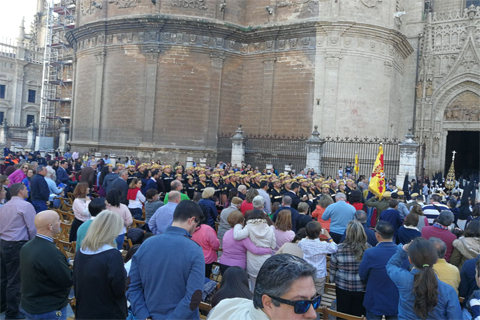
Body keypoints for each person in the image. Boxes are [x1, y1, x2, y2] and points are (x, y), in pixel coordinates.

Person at [127, 201, 205, 320]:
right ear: (191, 220)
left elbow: (131, 287)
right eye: (197, 225)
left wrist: (144, 316)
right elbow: (194, 297)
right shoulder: (194, 249)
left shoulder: (146, 244)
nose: (195, 229)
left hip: (149, 315)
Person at [208, 254, 320, 320]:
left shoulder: (227, 306)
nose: (313, 314)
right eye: (300, 304)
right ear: (268, 303)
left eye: (315, 301)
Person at [386, 237, 462, 319]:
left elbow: (391, 265)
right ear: (436, 260)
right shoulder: (448, 291)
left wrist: (405, 248)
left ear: (410, 260)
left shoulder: (403, 279)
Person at [73, 210, 127, 319]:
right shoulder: (112, 255)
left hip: (85, 309)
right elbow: (119, 289)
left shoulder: (81, 251)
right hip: (108, 312)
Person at [20, 210, 72, 320]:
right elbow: (68, 280)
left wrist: (65, 262)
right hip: (48, 308)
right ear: (50, 226)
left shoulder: (27, 246)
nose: (61, 222)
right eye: (58, 220)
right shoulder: (50, 252)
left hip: (30, 304)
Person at [0, 183, 36, 319]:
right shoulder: (25, 206)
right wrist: (33, 244)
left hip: (4, 242)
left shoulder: (5, 206)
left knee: (4, 277)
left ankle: (3, 305)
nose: (28, 190)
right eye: (26, 188)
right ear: (21, 191)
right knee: (15, 280)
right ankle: (12, 312)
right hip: (17, 244)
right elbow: (32, 228)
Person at [359, 221, 399, 320]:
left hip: (375, 297)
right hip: (395, 297)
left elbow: (362, 275)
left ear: (377, 235)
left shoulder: (370, 253)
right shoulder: (402, 252)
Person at [330, 220, 370, 316]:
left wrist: (334, 280)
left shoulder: (338, 249)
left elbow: (332, 269)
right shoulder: (368, 248)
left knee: (342, 314)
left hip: (342, 286)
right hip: (362, 287)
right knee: (358, 314)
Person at [219, 210, 272, 275]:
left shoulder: (226, 233)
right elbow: (255, 250)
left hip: (223, 263)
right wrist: (269, 250)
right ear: (242, 221)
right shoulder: (243, 236)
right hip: (237, 267)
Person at [234, 209, 276, 290]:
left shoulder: (249, 227)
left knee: (253, 286)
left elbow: (237, 236)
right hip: (265, 260)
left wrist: (237, 225)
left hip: (252, 261)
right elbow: (273, 245)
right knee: (264, 286)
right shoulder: (270, 229)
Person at [298, 221, 338, 295]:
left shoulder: (303, 242)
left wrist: (309, 234)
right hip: (319, 274)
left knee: (306, 293)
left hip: (306, 272)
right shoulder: (323, 245)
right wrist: (328, 235)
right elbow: (334, 248)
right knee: (317, 295)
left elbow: (300, 244)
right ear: (319, 233)